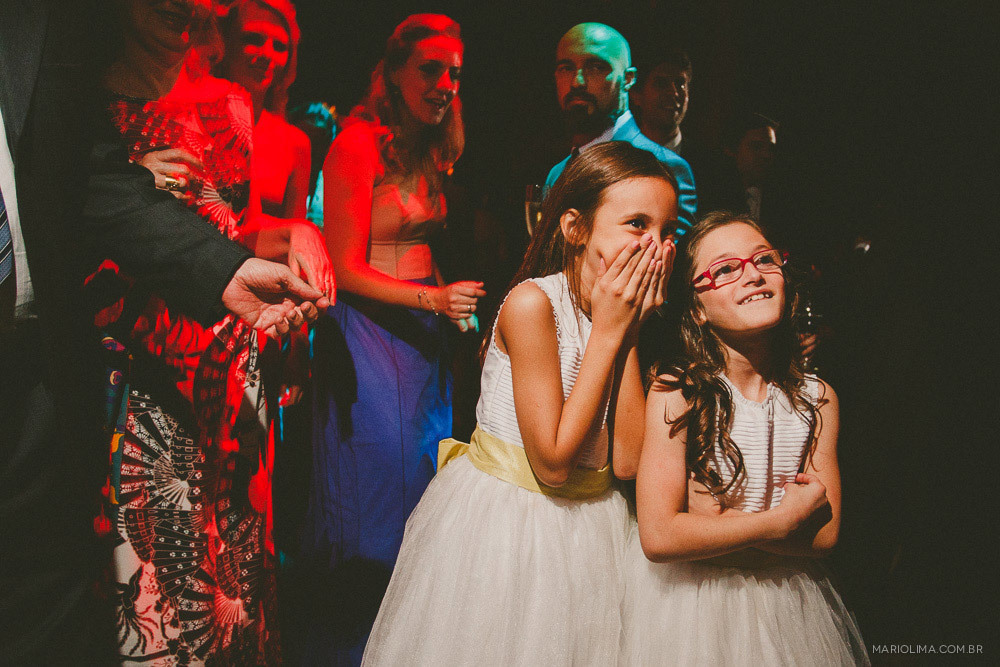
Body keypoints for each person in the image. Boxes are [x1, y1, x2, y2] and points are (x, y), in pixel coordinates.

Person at [0, 1, 327, 663]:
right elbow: (73, 206)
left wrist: (278, 243)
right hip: (127, 369)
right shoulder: (87, 90)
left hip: (208, 357)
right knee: (145, 568)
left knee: (216, 569)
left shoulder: (227, 104)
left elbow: (222, 222)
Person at [363, 142, 676, 665]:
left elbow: (626, 461)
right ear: (575, 228)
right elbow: (552, 463)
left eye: (668, 232)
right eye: (637, 225)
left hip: (593, 524)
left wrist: (630, 331)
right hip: (515, 526)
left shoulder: (618, 318)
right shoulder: (534, 304)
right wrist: (609, 332)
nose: (655, 246)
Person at [299, 14, 482, 664]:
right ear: (395, 70)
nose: (444, 85)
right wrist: (435, 299)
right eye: (430, 70)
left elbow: (418, 250)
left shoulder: (430, 146)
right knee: (376, 495)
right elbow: (345, 267)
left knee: (423, 489)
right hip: (370, 337)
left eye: (454, 74)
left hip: (424, 340)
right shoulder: (356, 143)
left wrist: (449, 306)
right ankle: (354, 646)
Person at [621, 212, 868, 665]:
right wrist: (781, 522)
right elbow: (660, 536)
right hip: (693, 607)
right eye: (726, 269)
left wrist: (719, 524)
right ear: (696, 309)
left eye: (764, 260)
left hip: (786, 603)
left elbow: (826, 534)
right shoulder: (679, 392)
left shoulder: (817, 399)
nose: (752, 275)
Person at [543, 23, 697, 235]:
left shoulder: (663, 165)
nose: (577, 82)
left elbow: (669, 254)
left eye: (596, 67)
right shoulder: (557, 173)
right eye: (566, 68)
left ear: (628, 79)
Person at [217, 0, 310, 220]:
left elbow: (295, 229)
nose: (267, 54)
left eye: (279, 46)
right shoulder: (190, 113)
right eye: (253, 39)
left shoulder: (295, 143)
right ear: (223, 41)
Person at [628, 46, 692, 155]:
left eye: (680, 84)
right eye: (661, 84)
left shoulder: (711, 161)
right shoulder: (616, 158)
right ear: (636, 95)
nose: (674, 93)